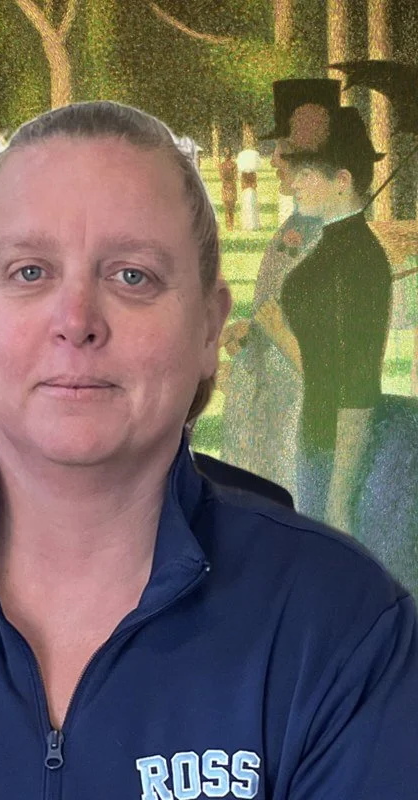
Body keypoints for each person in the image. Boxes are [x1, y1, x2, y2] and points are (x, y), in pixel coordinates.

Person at [0, 101, 416, 799]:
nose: (76, 321)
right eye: (30, 272)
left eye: (132, 276)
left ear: (209, 329)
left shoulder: (342, 624)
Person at [280, 106, 418, 593]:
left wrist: (339, 501)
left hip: (348, 454)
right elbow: (321, 359)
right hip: (320, 438)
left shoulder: (356, 259)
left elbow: (357, 385)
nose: (294, 184)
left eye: (306, 174)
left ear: (341, 181)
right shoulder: (336, 245)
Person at [221, 79, 340, 502]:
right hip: (267, 411)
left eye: (283, 150)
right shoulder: (296, 225)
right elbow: (277, 307)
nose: (272, 160)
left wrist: (275, 331)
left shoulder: (334, 238)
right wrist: (251, 332)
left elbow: (332, 361)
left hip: (298, 420)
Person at [218, 147, 238, 230]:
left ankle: (228, 225)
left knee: (226, 207)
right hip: (232, 186)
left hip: (225, 187)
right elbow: (236, 177)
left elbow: (221, 177)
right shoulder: (234, 164)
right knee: (232, 207)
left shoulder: (221, 165)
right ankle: (231, 225)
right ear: (231, 155)